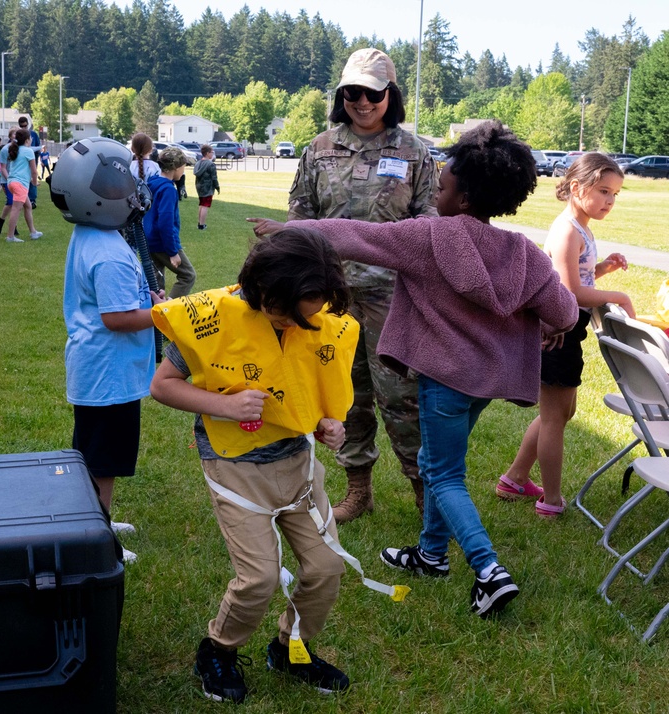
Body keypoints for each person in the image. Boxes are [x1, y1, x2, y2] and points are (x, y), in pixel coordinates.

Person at [250, 120, 579, 618]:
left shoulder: (429, 237)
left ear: (463, 199)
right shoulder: (523, 253)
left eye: (443, 186)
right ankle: (430, 555)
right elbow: (566, 311)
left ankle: (489, 571)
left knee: (444, 474)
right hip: (484, 385)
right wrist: (546, 323)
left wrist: (292, 228)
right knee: (435, 463)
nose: (436, 192)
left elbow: (354, 235)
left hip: (444, 382)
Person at [149, 227, 358, 703]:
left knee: (327, 567)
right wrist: (225, 406)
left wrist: (329, 425)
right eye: (288, 317)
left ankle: (290, 648)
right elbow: (162, 386)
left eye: (308, 318)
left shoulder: (311, 317)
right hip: (235, 467)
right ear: (263, 291)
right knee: (259, 577)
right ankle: (218, 651)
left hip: (297, 466)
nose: (296, 327)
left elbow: (315, 386)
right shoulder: (210, 320)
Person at [288, 48, 439, 523]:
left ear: (389, 94)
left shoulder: (413, 152)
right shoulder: (319, 148)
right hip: (329, 298)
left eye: (372, 92)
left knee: (401, 395)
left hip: (393, 299)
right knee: (343, 394)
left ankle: (424, 492)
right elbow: (301, 213)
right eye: (352, 92)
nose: (362, 101)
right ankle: (359, 489)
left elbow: (430, 220)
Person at [50, 137, 165, 564]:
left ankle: (96, 517)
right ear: (99, 200)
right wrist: (161, 312)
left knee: (94, 454)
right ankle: (96, 539)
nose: (134, 196)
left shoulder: (91, 236)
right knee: (103, 463)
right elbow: (117, 318)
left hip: (96, 370)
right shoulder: (111, 255)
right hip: (109, 375)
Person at [500, 153, 632, 518]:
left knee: (560, 411)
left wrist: (603, 268)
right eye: (603, 190)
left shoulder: (582, 226)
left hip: (569, 332)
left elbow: (577, 279)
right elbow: (570, 293)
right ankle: (552, 499)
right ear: (576, 188)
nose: (610, 200)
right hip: (556, 334)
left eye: (615, 193)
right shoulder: (567, 230)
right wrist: (618, 297)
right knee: (555, 416)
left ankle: (515, 478)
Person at [143, 147, 197, 298]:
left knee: (155, 283)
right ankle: (169, 309)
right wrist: (173, 252)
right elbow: (164, 223)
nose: (184, 171)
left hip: (149, 240)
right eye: (183, 167)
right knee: (188, 275)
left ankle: (154, 316)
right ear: (175, 167)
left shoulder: (152, 182)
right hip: (162, 243)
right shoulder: (168, 190)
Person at [0, 128, 42, 242]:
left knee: (28, 206)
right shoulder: (28, 151)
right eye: (30, 138)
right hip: (19, 184)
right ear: (27, 140)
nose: (31, 140)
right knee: (16, 209)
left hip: (12, 182)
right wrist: (34, 182)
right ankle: (10, 236)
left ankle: (33, 232)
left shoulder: (16, 149)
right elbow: (34, 171)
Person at [193, 144, 220, 231]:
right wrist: (217, 187)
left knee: (201, 204)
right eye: (212, 152)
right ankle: (202, 224)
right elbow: (214, 177)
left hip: (199, 186)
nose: (212, 154)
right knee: (205, 205)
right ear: (207, 153)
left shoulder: (198, 163)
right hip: (207, 188)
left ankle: (199, 222)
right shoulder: (210, 164)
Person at [18, 116, 42, 209]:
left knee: (33, 176)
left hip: (32, 159)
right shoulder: (18, 135)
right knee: (23, 178)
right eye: (22, 126)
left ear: (28, 124)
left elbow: (37, 147)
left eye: (25, 125)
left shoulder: (33, 134)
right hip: (22, 161)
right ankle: (23, 197)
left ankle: (32, 199)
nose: (24, 128)